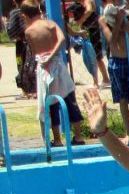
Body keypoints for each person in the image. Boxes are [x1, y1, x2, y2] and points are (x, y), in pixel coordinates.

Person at [20, 0, 87, 148]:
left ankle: (57, 139)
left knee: (51, 104)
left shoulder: (29, 31)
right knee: (69, 99)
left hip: (44, 68)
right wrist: (53, 54)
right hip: (58, 64)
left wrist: (46, 57)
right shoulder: (50, 24)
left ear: (25, 16)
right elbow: (62, 38)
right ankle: (78, 135)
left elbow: (34, 51)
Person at [99, 0, 129, 144]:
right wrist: (118, 22)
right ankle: (128, 132)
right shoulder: (103, 19)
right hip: (117, 62)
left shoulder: (128, 15)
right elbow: (111, 40)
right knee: (123, 99)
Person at [73, 0, 111, 87]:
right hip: (90, 31)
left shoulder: (88, 1)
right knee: (95, 57)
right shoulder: (80, 4)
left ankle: (98, 81)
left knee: (94, 57)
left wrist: (81, 21)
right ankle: (104, 79)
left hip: (93, 31)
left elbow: (89, 10)